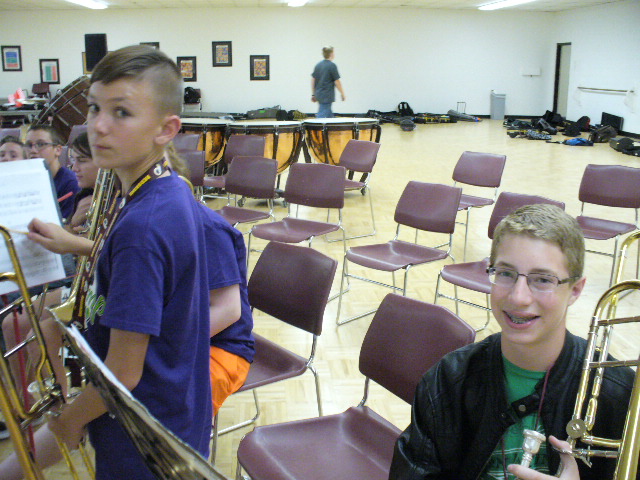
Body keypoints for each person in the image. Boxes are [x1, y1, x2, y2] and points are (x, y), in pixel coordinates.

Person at [0, 45, 212, 480]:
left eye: (122, 112)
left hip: (139, 429)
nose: (97, 125)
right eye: (95, 107)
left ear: (166, 129)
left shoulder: (143, 226)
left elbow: (122, 374)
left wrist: (67, 421)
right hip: (171, 408)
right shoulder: (167, 191)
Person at [389, 204, 638, 480]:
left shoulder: (619, 394)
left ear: (575, 290)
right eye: (506, 274)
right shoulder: (448, 380)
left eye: (543, 279)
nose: (518, 298)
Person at [25, 125, 80, 220]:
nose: (33, 150)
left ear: (58, 150)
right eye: (29, 145)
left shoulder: (71, 184)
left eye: (40, 144)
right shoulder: (25, 182)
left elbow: (67, 225)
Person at [311, 46, 346, 119]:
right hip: (327, 95)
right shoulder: (332, 66)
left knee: (329, 116)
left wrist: (313, 94)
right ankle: (316, 126)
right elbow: (337, 81)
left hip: (319, 94)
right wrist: (342, 93)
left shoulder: (318, 65)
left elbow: (313, 80)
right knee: (321, 116)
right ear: (331, 54)